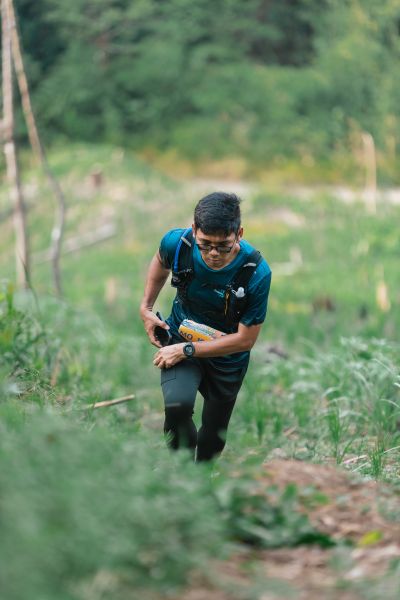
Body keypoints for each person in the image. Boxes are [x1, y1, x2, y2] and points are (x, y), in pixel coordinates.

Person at [140, 192, 271, 461]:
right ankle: (183, 474)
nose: (213, 253)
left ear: (239, 234)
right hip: (180, 337)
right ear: (194, 230)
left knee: (214, 433)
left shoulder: (256, 272)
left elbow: (246, 340)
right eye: (205, 244)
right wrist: (146, 308)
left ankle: (204, 474)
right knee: (177, 406)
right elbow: (160, 261)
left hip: (227, 356)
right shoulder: (177, 244)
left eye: (223, 246)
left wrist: (186, 350)